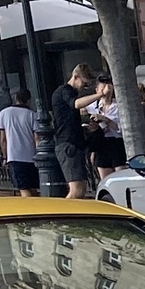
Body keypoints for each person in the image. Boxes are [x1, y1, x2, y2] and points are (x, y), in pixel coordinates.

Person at [47, 63, 96, 198]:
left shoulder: (65, 92)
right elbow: (76, 104)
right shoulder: (65, 90)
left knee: (80, 187)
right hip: (69, 144)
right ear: (75, 77)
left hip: (71, 143)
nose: (84, 88)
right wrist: (99, 95)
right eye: (84, 84)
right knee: (77, 188)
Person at [0, 85, 39, 195]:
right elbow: (36, 137)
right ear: (28, 100)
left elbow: (3, 139)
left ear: (16, 98)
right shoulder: (32, 115)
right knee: (33, 188)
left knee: (23, 188)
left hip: (14, 156)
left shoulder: (4, 113)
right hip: (31, 156)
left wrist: (5, 156)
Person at [87, 76, 128, 173]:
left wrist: (106, 120)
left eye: (108, 91)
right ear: (97, 91)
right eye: (103, 91)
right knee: (105, 178)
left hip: (116, 143)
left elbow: (122, 129)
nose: (106, 93)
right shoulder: (93, 106)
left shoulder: (118, 107)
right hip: (101, 144)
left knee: (120, 173)